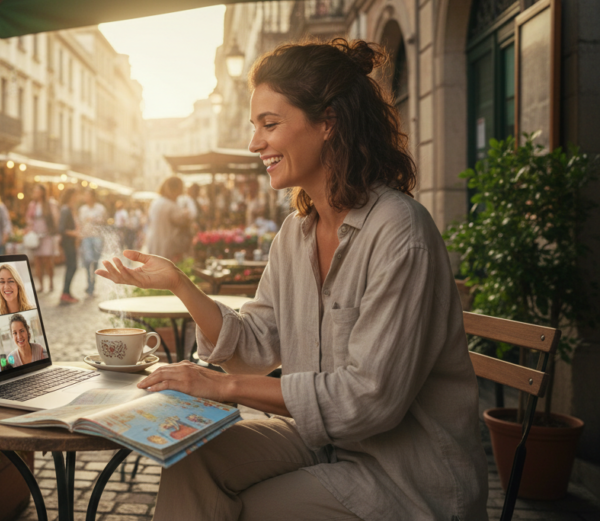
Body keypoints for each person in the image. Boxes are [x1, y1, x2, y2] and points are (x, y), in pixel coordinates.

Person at [97, 39, 487, 521]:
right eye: (254, 125)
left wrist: (220, 389)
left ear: (328, 123)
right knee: (191, 455)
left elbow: (369, 400)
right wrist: (179, 283)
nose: (254, 142)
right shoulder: (295, 234)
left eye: (270, 124)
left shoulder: (400, 231)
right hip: (322, 444)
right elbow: (253, 350)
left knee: (246, 510)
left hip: (403, 479)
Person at [145, 176, 193, 262]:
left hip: (153, 244)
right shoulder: (171, 205)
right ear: (175, 189)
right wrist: (186, 214)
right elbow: (183, 219)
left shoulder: (156, 202)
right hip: (166, 248)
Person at [25, 184, 58, 294]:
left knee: (48, 260)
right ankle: (40, 285)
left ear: (42, 192)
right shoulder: (32, 205)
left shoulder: (50, 204)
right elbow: (28, 219)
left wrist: (53, 230)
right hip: (36, 236)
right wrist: (30, 228)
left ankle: (51, 282)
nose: (35, 193)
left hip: (47, 235)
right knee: (37, 260)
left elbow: (55, 218)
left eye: (37, 191)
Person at [77, 189, 107, 297]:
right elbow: (80, 223)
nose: (86, 198)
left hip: (97, 237)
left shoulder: (100, 208)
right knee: (87, 261)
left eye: (87, 195)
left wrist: (94, 219)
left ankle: (93, 284)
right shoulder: (82, 209)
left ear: (93, 197)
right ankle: (89, 283)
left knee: (95, 261)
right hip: (86, 237)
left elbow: (104, 221)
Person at [57, 187, 81, 304]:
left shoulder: (69, 209)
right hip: (68, 242)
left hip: (71, 242)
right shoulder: (65, 209)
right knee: (72, 266)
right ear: (71, 196)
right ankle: (65, 293)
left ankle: (67, 292)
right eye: (76, 195)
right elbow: (61, 228)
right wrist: (74, 233)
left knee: (72, 266)